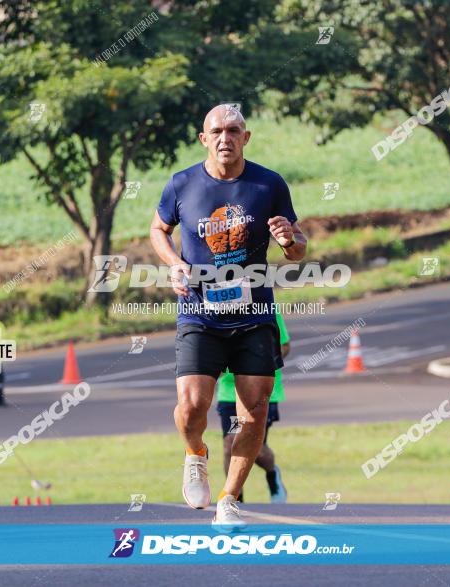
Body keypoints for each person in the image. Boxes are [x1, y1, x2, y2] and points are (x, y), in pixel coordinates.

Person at [149, 104, 307, 531]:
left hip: (255, 314)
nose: (225, 138)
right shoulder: (182, 184)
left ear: (246, 137)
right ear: (204, 138)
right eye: (216, 131)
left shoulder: (268, 183)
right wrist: (173, 263)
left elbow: (297, 249)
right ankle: (195, 454)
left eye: (233, 130)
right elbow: (157, 229)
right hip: (199, 312)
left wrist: (291, 240)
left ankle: (229, 497)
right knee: (191, 407)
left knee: (253, 412)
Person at [216, 312, 290, 504]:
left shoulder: (264, 306)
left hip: (260, 390)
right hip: (230, 394)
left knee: (255, 448)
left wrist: (255, 360)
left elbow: (285, 346)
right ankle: (233, 498)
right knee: (230, 443)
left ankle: (272, 474)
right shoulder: (215, 309)